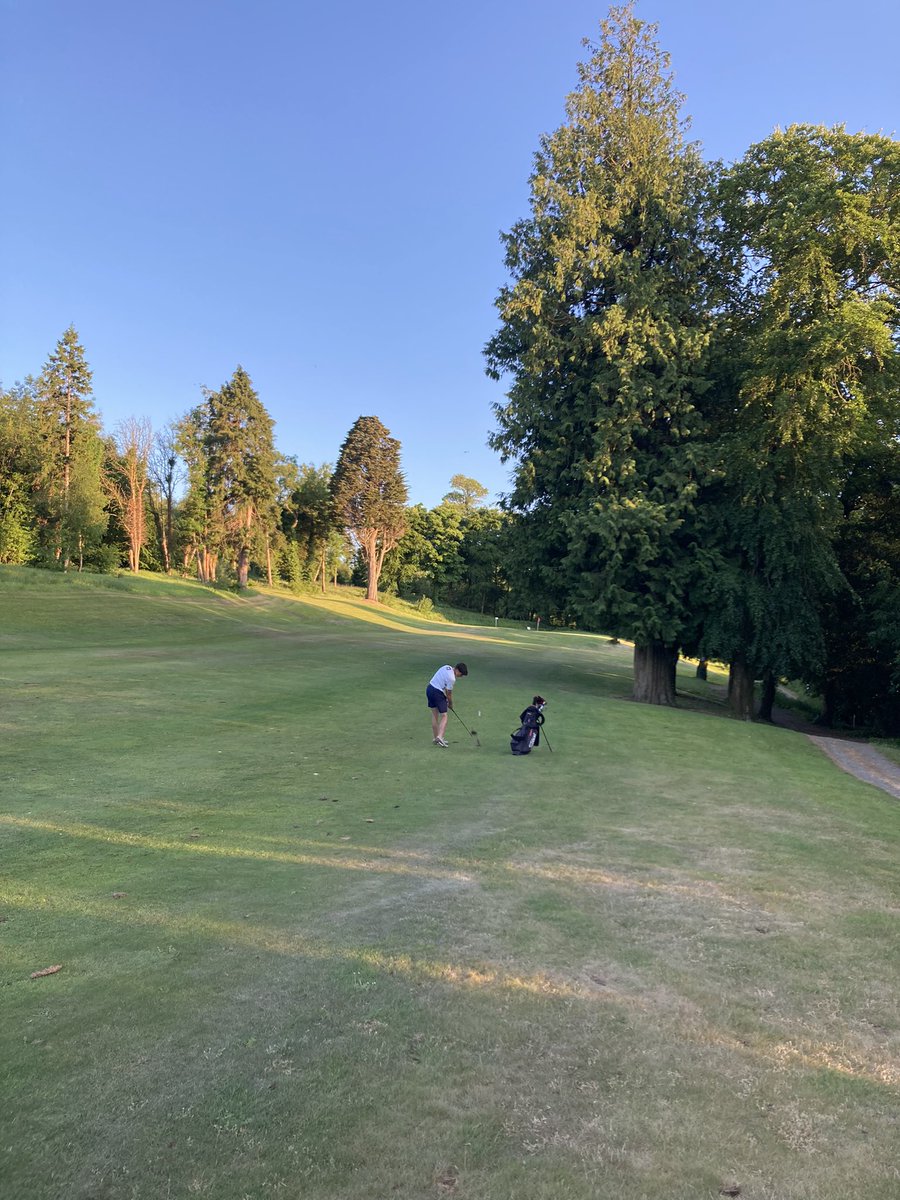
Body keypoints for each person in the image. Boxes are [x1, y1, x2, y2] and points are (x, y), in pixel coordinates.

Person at [426, 662, 468, 746]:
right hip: (437, 692)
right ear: (458, 670)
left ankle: (436, 738)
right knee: (444, 716)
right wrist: (450, 704)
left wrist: (445, 700)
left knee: (434, 715)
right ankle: (440, 737)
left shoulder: (446, 667)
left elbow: (444, 687)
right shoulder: (452, 678)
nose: (461, 676)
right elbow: (449, 693)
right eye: (461, 674)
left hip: (429, 689)